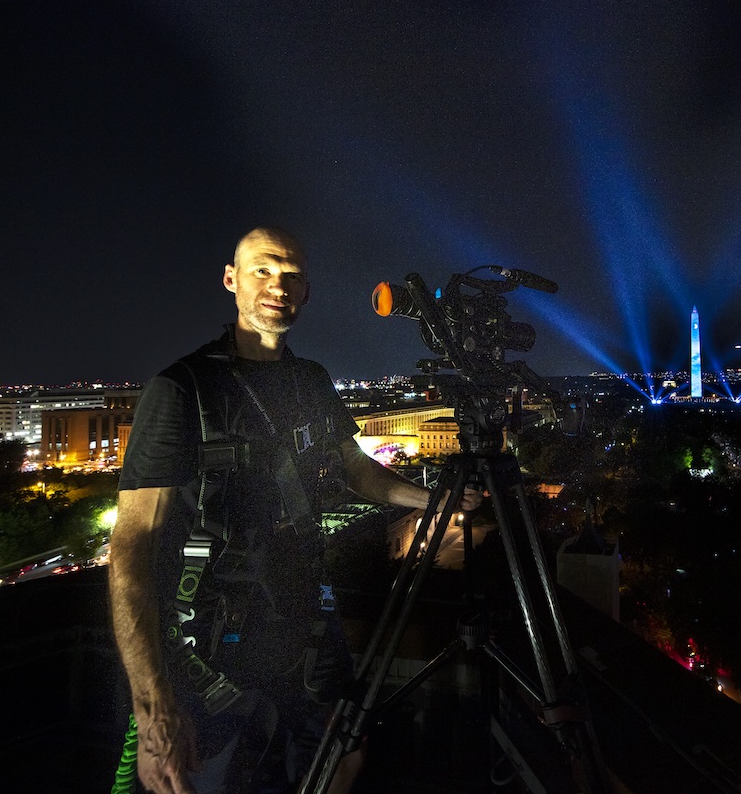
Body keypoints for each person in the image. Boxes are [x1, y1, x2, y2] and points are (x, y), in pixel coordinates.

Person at [110, 227, 480, 794]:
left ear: (307, 291)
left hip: (305, 621)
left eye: (292, 275)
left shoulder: (311, 380)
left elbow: (355, 469)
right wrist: (152, 707)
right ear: (231, 279)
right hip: (210, 640)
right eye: (262, 269)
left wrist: (433, 499)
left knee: (341, 757)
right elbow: (132, 547)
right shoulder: (183, 389)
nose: (278, 285)